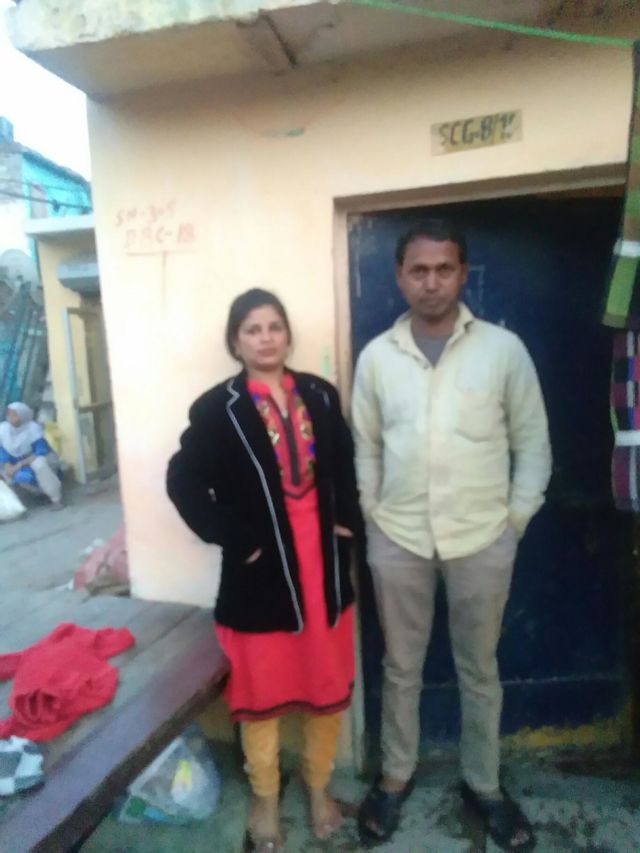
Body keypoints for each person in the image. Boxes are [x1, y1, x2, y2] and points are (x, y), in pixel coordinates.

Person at [352, 220, 551, 851]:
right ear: (400, 277)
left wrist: (514, 521)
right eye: (419, 270)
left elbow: (533, 444)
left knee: (480, 669)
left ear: (462, 274)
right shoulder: (377, 358)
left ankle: (483, 785)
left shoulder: (502, 350)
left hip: (483, 538)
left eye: (444, 269)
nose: (431, 282)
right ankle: (395, 775)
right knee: (400, 668)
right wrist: (374, 512)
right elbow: (366, 445)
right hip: (399, 537)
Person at [166, 288, 361, 852]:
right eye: (252, 329)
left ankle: (318, 788)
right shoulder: (217, 408)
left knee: (325, 686)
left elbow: (345, 463)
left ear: (288, 334)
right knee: (262, 695)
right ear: (236, 341)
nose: (266, 338)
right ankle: (266, 798)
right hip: (260, 574)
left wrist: (346, 519)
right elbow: (183, 481)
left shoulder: (319, 395)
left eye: (274, 326)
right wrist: (235, 537)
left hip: (321, 571)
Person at [0, 402, 63, 510]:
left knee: (39, 465)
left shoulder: (33, 428)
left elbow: (40, 451)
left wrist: (18, 465)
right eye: (9, 414)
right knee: (9, 472)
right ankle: (14, 506)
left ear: (22, 415)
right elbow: (2, 450)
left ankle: (56, 499)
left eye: (14, 414)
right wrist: (7, 465)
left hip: (36, 459)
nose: (10, 417)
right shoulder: (3, 429)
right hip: (15, 462)